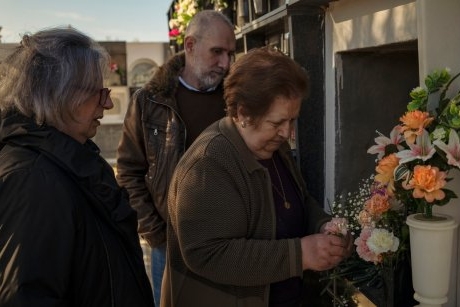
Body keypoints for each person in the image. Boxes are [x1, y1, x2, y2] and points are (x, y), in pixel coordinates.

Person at [162, 47, 354, 307]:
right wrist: (299, 255)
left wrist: (322, 225)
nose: (287, 133)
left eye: (292, 120)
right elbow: (206, 253)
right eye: (276, 123)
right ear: (242, 113)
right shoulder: (208, 163)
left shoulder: (273, 146)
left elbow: (296, 200)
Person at [0, 27, 154, 307]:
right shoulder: (34, 179)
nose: (107, 103)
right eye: (97, 92)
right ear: (58, 94)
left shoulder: (69, 157)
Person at [116, 10, 236, 306]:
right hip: (170, 247)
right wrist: (158, 236)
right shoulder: (149, 102)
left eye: (230, 53)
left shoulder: (238, 98)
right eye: (217, 52)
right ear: (191, 45)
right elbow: (129, 172)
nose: (226, 63)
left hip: (233, 243)